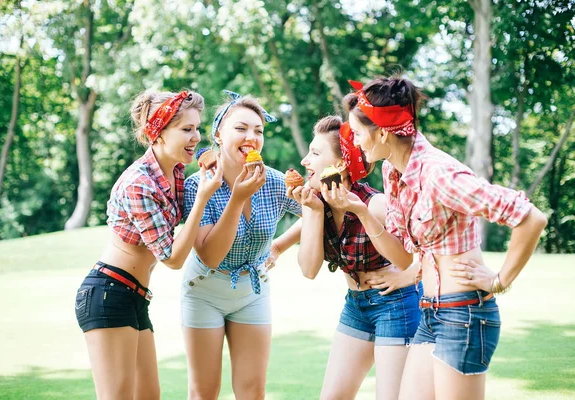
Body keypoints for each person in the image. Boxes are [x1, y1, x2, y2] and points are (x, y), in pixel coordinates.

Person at [340, 75, 547, 400]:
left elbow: (531, 217)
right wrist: (364, 213)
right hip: (431, 312)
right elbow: (407, 257)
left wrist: (499, 279)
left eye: (357, 132)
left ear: (381, 133)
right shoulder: (393, 173)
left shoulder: (439, 175)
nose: (353, 141)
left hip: (464, 314)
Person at [74, 90, 223, 400]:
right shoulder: (138, 182)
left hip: (135, 296)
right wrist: (203, 197)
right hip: (109, 293)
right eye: (186, 129)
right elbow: (171, 257)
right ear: (157, 133)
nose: (196, 137)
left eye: (197, 128)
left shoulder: (178, 173)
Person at [288, 115, 420, 400]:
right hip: (356, 307)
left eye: (315, 153)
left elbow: (429, 249)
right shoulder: (316, 204)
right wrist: (311, 211)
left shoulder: (376, 205)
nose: (304, 161)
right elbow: (309, 269)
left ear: (338, 165)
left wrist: (406, 275)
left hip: (396, 305)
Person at [181, 91, 302, 400]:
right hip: (204, 290)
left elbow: (318, 212)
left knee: (252, 391)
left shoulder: (274, 181)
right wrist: (236, 198)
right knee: (204, 392)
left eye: (258, 131)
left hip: (253, 292)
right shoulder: (198, 185)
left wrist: (279, 247)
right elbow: (209, 254)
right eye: (241, 128)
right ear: (219, 135)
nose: (252, 136)